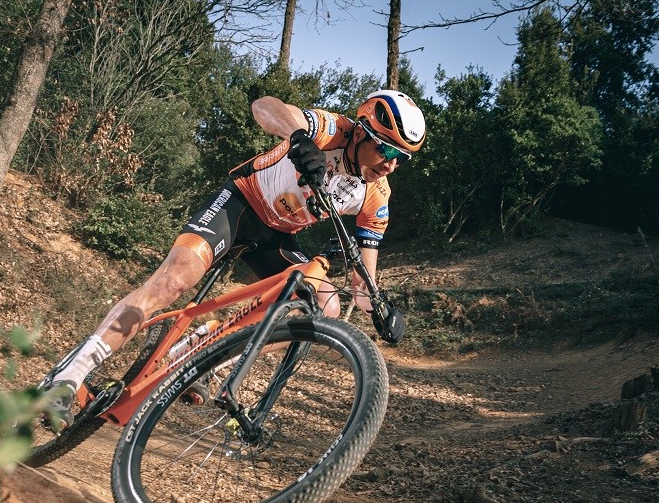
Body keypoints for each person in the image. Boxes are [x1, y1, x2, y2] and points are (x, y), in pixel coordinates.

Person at [42, 89, 427, 430]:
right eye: (386, 149)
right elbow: (266, 106)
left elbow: (363, 279)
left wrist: (379, 307)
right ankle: (67, 377)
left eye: (402, 158)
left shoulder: (377, 196)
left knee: (324, 306)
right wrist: (298, 138)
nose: (391, 163)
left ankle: (207, 351)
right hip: (239, 204)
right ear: (361, 131)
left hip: (277, 236)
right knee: (172, 282)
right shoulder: (334, 129)